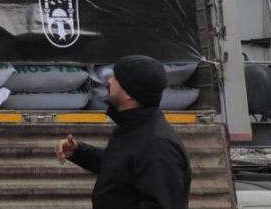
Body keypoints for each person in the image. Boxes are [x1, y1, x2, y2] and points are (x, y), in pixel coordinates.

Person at [56, 55, 191, 209]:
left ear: (128, 93)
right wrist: (79, 151)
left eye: (116, 78)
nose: (109, 81)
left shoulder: (158, 146)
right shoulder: (133, 129)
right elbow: (119, 169)